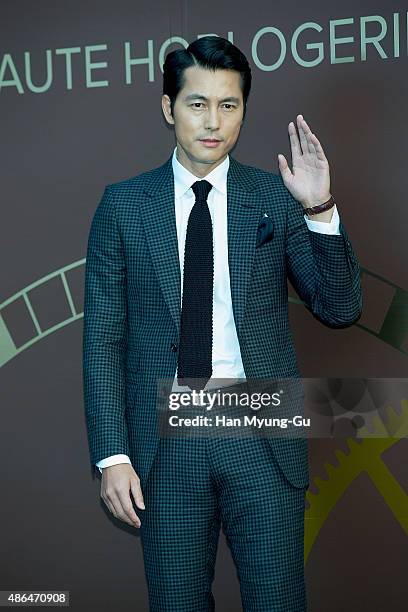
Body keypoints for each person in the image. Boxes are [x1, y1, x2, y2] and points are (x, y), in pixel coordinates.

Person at [83, 35, 362, 612]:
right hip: (167, 440)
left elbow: (340, 308)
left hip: (262, 430)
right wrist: (112, 455)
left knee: (277, 602)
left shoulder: (276, 198)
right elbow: (104, 339)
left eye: (228, 105)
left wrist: (319, 207)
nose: (213, 121)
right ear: (168, 108)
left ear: (243, 112)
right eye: (197, 103)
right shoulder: (124, 205)